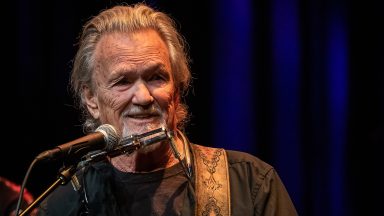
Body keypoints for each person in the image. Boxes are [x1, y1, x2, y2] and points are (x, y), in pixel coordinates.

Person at [36, 3, 298, 216]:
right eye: (123, 81)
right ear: (91, 99)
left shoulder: (249, 184)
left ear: (178, 87)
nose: (143, 96)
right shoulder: (63, 204)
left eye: (156, 78)